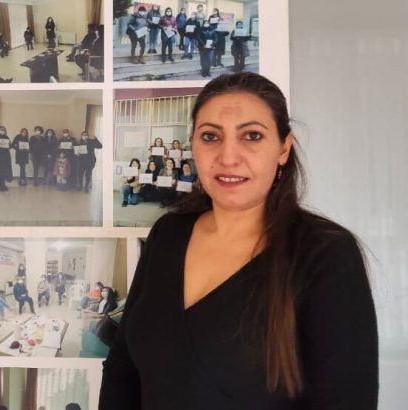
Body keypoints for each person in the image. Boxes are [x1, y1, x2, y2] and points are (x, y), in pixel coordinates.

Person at [99, 73, 378, 409]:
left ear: (283, 149)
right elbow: (123, 368)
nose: (228, 157)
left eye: (252, 136)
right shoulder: (168, 233)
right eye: (210, 136)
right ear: (193, 145)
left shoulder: (326, 254)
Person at [0, 125, 13, 192]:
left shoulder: (7, 137)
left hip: (6, 156)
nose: (3, 131)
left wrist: (9, 144)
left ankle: (3, 184)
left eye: (4, 130)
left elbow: (10, 146)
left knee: (5, 170)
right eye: (1, 129)